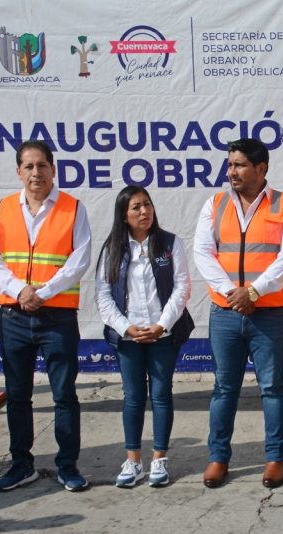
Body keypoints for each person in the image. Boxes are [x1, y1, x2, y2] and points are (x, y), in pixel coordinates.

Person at [192, 138, 283, 489]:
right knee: (224, 389)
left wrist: (254, 291)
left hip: (269, 313)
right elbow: (203, 252)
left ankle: (275, 458)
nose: (232, 172)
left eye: (239, 165)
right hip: (226, 313)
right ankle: (218, 458)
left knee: (272, 388)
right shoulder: (215, 204)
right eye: (230, 165)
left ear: (261, 168)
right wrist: (233, 294)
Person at [0, 140, 92, 492]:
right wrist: (20, 291)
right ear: (19, 172)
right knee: (17, 395)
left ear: (53, 169)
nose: (36, 173)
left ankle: (68, 466)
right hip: (14, 316)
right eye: (28, 166)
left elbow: (79, 260)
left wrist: (41, 293)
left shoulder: (73, 208)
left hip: (57, 317)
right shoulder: (2, 208)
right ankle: (21, 465)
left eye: (42, 165)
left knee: (64, 395)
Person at [96, 186, 192, 488]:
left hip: (163, 334)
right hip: (129, 338)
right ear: (123, 214)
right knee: (134, 397)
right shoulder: (112, 248)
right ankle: (133, 461)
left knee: (161, 395)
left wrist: (162, 325)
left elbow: (182, 288)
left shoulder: (169, 243)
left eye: (147, 205)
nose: (144, 211)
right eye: (136, 207)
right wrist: (126, 328)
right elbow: (103, 296)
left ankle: (159, 459)